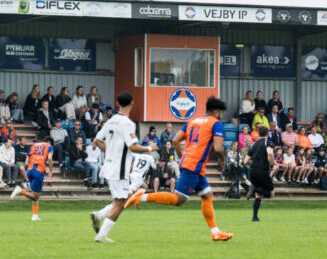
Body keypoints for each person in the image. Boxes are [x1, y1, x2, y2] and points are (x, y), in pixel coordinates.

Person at [124, 97, 234, 242]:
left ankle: (215, 232)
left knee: (207, 195)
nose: (221, 115)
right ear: (216, 111)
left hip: (191, 164)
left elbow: (175, 140)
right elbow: (218, 147)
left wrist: (183, 157)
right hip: (194, 165)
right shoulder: (216, 123)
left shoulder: (193, 121)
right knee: (178, 199)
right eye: (221, 112)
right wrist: (222, 159)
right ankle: (141, 197)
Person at [87, 92, 156, 242]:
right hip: (120, 169)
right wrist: (149, 149)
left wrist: (110, 152)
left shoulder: (110, 121)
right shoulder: (128, 123)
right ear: (132, 103)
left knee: (122, 200)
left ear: (117, 103)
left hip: (109, 167)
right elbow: (133, 146)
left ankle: (99, 215)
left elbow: (96, 140)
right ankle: (101, 235)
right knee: (122, 202)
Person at [10, 139, 50, 221]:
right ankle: (21, 191)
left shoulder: (32, 147)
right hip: (38, 171)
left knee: (34, 195)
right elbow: (49, 159)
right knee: (35, 197)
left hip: (29, 170)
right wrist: (51, 171)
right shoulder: (48, 146)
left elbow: (26, 162)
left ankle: (34, 216)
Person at [244, 126, 275, 222]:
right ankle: (255, 189)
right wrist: (271, 163)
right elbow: (270, 153)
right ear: (267, 134)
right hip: (263, 170)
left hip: (252, 171)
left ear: (259, 134)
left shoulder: (253, 145)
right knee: (271, 193)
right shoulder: (268, 143)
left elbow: (245, 161)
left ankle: (255, 217)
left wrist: (254, 163)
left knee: (258, 196)